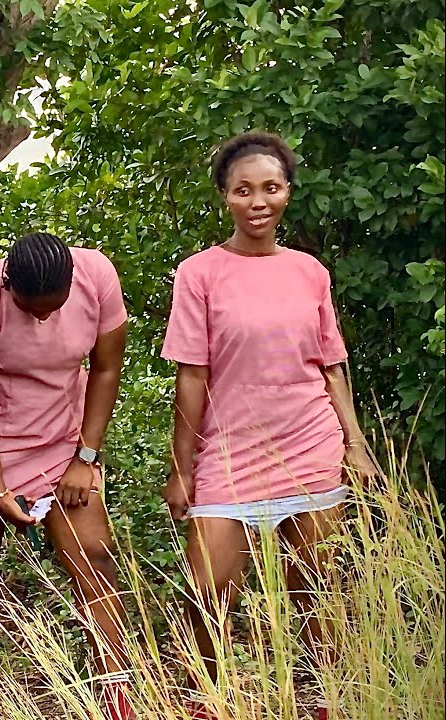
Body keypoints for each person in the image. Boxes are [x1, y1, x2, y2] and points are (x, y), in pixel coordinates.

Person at [162, 131, 379, 720]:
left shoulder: (310, 272)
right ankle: (204, 704)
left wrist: (354, 446)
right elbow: (191, 379)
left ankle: (326, 706)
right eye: (244, 190)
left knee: (316, 593)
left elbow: (332, 368)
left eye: (271, 187)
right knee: (208, 596)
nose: (259, 201)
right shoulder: (198, 274)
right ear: (226, 197)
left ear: (287, 193)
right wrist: (182, 471)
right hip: (228, 455)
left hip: (308, 445)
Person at [0, 232, 136, 720]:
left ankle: (116, 697)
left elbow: (106, 370)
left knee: (94, 557)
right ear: (8, 286)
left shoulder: (96, 278)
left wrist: (84, 458)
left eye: (54, 307)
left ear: (72, 282)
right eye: (32, 309)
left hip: (63, 436)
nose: (43, 317)